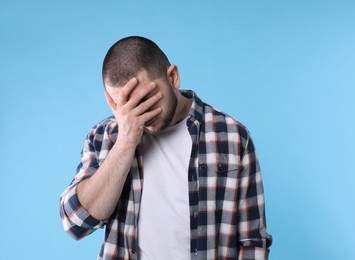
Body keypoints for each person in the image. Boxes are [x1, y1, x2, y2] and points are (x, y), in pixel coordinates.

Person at [60, 36, 272, 260]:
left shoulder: (232, 137)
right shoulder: (103, 137)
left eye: (145, 100)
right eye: (125, 105)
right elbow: (77, 224)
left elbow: (252, 241)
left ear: (172, 77)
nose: (138, 115)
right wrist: (125, 143)